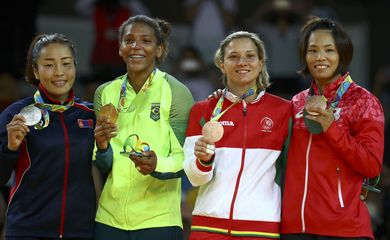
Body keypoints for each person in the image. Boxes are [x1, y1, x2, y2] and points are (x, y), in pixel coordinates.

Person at [281, 17, 385, 240]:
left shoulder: (363, 101)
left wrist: (332, 128)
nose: (320, 57)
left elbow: (372, 166)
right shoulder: (296, 102)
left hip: (342, 228)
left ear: (342, 54)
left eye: (329, 50)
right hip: (295, 227)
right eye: (312, 50)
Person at [92, 15, 194, 240]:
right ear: (120, 48)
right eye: (129, 40)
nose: (136, 46)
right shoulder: (105, 93)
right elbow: (104, 165)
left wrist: (158, 165)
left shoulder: (177, 93)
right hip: (110, 218)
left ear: (159, 49)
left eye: (146, 41)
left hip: (159, 221)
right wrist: (101, 147)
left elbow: (187, 159)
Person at [183, 31, 292, 239]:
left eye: (250, 56)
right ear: (221, 64)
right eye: (233, 56)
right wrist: (203, 161)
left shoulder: (284, 111)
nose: (242, 62)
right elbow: (194, 177)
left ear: (261, 63)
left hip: (260, 228)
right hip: (208, 227)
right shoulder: (203, 110)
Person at [0, 33, 98, 239]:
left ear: (75, 67)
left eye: (66, 63)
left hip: (80, 231)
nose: (59, 73)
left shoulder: (90, 114)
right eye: (49, 65)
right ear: (35, 70)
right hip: (27, 230)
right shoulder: (15, 115)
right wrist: (9, 148)